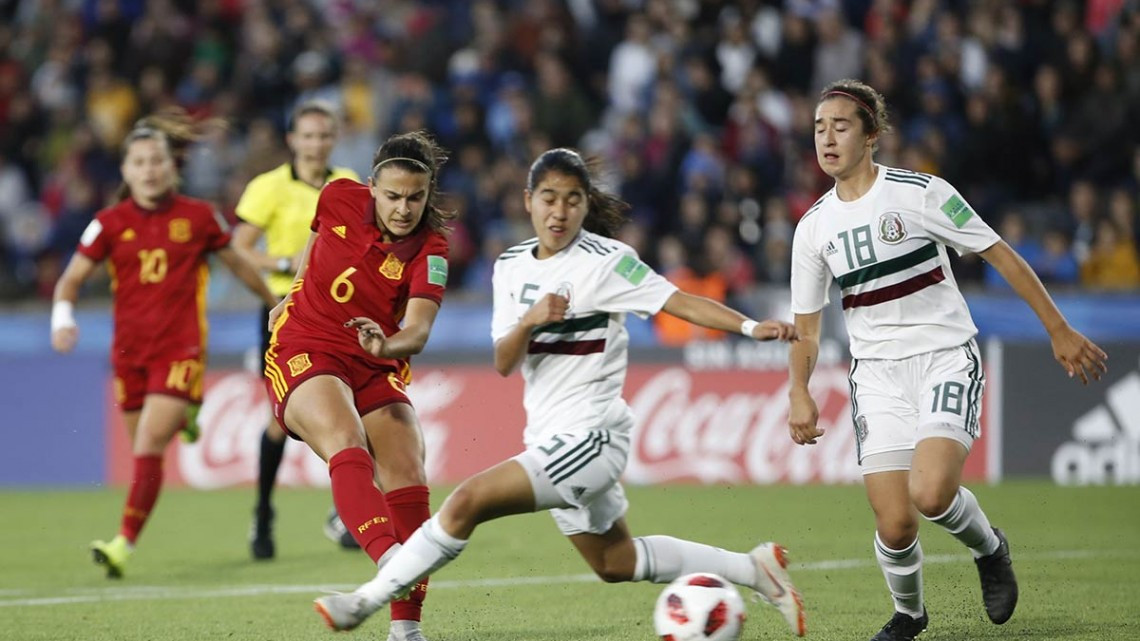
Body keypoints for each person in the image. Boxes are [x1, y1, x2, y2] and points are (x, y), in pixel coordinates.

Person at [312, 148, 807, 638]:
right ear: (528, 201)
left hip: (591, 438)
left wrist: (747, 326)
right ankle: (754, 569)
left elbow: (677, 301)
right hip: (549, 436)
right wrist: (530, 320)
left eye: (573, 200)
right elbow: (505, 362)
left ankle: (366, 600)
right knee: (616, 560)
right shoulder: (509, 266)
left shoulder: (607, 262)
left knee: (467, 501)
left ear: (586, 205)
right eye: (549, 198)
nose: (560, 211)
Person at [786, 79, 1108, 641]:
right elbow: (807, 327)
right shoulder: (813, 228)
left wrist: (1057, 329)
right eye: (819, 127)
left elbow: (998, 252)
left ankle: (990, 548)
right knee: (895, 521)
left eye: (841, 126)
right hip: (877, 375)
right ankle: (910, 614)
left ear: (872, 137)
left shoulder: (921, 193)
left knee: (931, 493)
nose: (827, 138)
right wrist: (799, 390)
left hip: (943, 357)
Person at [50, 119, 278, 579]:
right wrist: (62, 317)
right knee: (144, 452)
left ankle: (122, 544)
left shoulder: (198, 217)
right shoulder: (108, 224)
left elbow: (238, 265)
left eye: (157, 161)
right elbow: (71, 279)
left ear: (171, 167)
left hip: (181, 349)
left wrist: (275, 303)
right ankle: (188, 414)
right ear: (126, 171)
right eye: (139, 162)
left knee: (151, 442)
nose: (150, 170)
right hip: (130, 354)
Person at [263, 131, 452, 641]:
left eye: (416, 197)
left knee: (407, 464)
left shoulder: (431, 250)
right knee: (346, 441)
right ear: (371, 187)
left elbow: (417, 330)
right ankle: (394, 567)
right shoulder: (337, 195)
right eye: (392, 196)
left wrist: (388, 347)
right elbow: (316, 237)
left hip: (375, 361)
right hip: (308, 343)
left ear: (428, 193)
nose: (404, 208)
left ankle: (406, 632)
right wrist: (296, 290)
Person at [231, 101, 360, 560]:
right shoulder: (268, 187)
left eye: (324, 135)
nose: (316, 143)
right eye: (308, 136)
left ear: (333, 139)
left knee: (351, 408)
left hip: (336, 312)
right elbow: (239, 247)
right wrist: (284, 265)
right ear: (292, 140)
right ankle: (263, 511)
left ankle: (343, 508)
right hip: (283, 313)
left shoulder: (347, 182)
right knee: (280, 420)